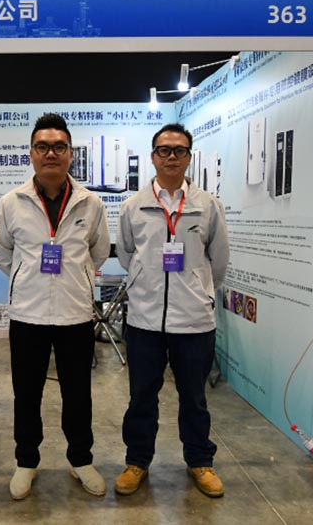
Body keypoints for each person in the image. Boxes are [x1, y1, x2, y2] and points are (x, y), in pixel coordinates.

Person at [0, 113, 111, 500]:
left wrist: (75, 278)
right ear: (31, 153)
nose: (51, 154)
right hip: (28, 315)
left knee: (79, 394)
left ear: (70, 153)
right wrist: (28, 277)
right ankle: (26, 461)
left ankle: (80, 460)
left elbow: (98, 252)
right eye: (42, 147)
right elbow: (1, 252)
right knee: (26, 394)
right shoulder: (12, 202)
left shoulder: (90, 203)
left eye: (59, 147)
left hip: (75, 314)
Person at [114, 123, 230, 498]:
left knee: (194, 398)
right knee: (141, 398)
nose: (171, 157)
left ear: (188, 157)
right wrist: (146, 282)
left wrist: (197, 290)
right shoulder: (133, 206)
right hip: (144, 320)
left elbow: (218, 261)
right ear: (153, 157)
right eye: (164, 150)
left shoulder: (207, 206)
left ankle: (200, 462)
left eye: (179, 151)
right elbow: (127, 254)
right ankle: (137, 461)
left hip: (194, 321)